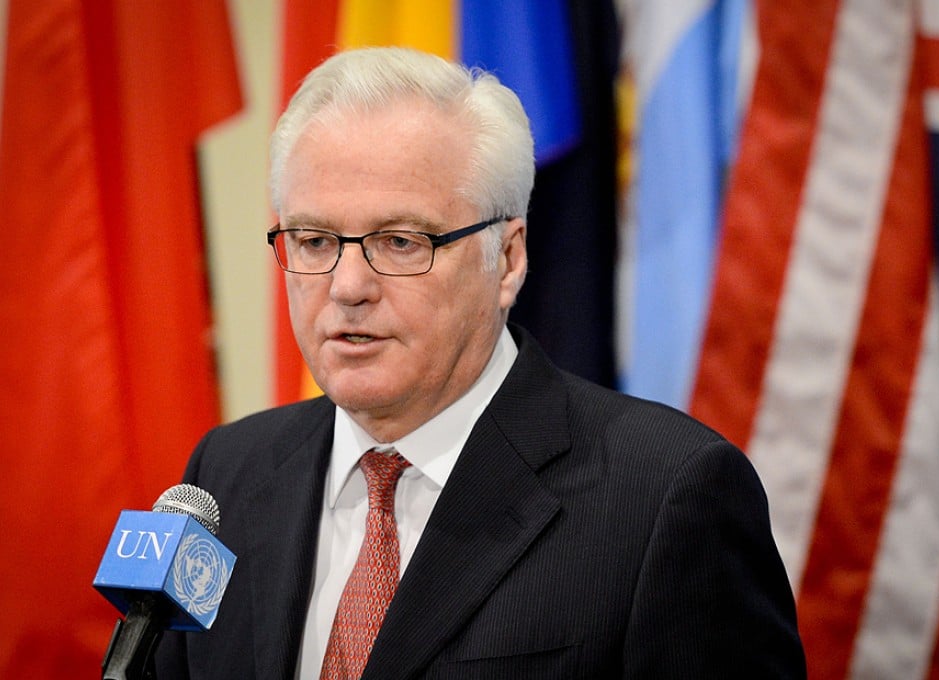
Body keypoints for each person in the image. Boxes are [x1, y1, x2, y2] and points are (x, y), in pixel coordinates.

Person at [155, 46, 806, 679]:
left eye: (401, 241)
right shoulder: (225, 477)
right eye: (316, 239)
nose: (347, 284)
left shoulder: (666, 498)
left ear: (509, 258)